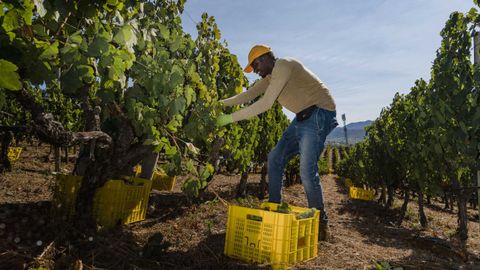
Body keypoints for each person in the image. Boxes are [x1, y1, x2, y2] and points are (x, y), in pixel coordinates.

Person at [216, 44, 338, 241]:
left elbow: (265, 104)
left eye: (255, 66)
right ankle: (275, 208)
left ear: (264, 58)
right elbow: (248, 95)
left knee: (306, 170)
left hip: (319, 112)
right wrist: (220, 104)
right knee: (274, 159)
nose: (255, 72)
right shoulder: (270, 77)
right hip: (302, 117)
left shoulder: (283, 65)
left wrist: (229, 119)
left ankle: (321, 224)